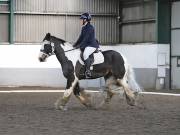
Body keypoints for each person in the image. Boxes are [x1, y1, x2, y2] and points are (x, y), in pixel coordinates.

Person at [73, 12, 99, 78]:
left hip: (92, 45)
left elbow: (86, 39)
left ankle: (88, 71)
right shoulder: (83, 28)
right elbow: (81, 37)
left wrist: (79, 45)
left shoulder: (90, 27)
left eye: (82, 19)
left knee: (85, 54)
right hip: (87, 45)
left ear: (85, 20)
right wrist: (75, 44)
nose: (81, 21)